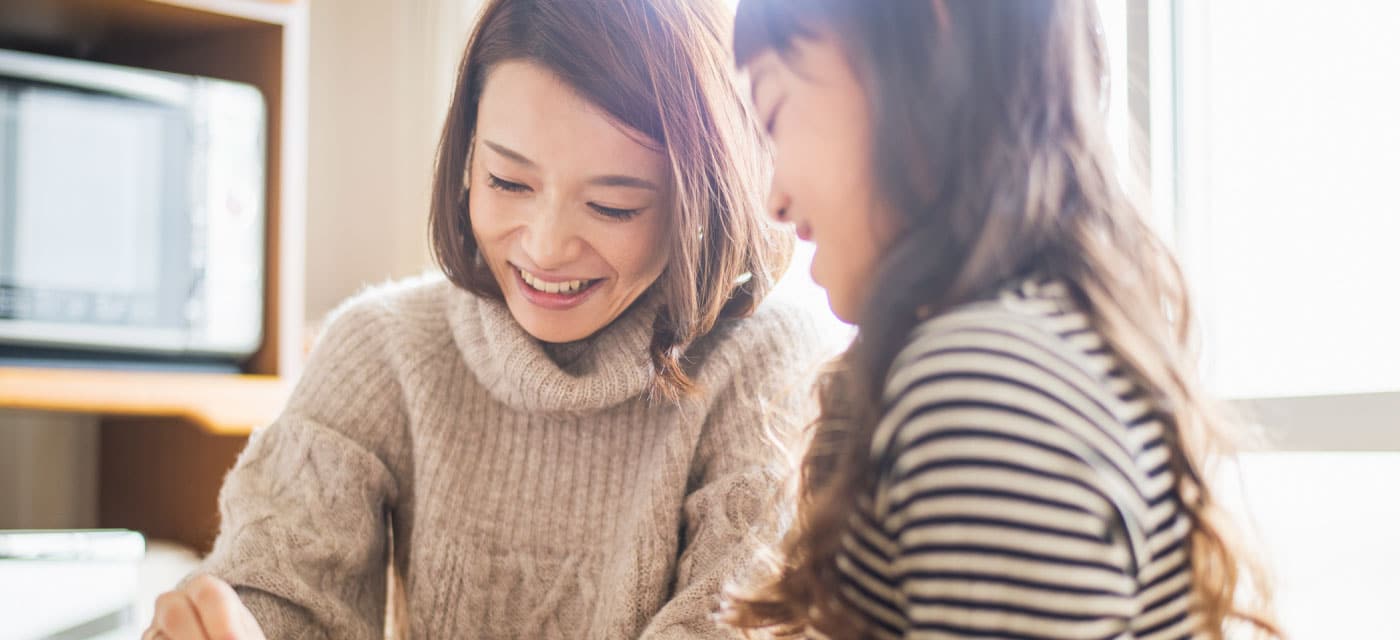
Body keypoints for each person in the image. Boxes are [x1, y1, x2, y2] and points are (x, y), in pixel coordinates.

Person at [143, 0, 827, 637]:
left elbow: (741, 618)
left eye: (614, 206)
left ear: (698, 197)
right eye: (508, 182)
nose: (546, 246)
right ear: (467, 156)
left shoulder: (767, 362)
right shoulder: (380, 349)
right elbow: (276, 596)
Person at [721, 1, 1282, 638]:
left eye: (776, 113)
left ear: (928, 35)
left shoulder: (985, 385)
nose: (774, 199)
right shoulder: (1016, 354)